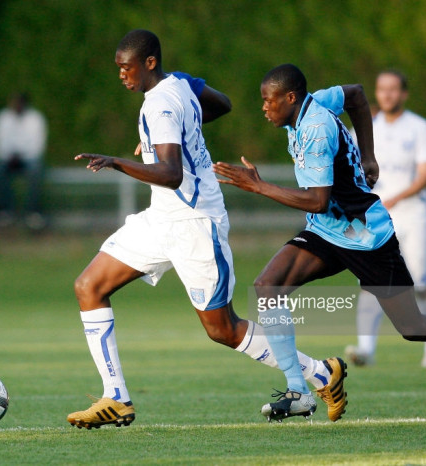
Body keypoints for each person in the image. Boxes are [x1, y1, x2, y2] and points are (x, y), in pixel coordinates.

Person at [67, 30, 348, 430]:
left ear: (149, 63)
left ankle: (322, 374)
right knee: (89, 286)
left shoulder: (161, 102)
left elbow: (168, 173)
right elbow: (222, 104)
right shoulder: (180, 83)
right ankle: (116, 397)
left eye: (127, 68)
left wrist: (116, 161)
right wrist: (170, 136)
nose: (122, 75)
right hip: (160, 218)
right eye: (118, 69)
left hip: (194, 224)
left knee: (223, 329)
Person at [213, 64, 426, 422]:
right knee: (267, 287)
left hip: (366, 235)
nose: (264, 107)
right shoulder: (317, 101)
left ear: (291, 98)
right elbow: (357, 95)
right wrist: (368, 154)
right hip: (327, 229)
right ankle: (299, 392)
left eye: (269, 101)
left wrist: (258, 186)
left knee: (413, 326)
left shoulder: (315, 128)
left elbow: (317, 200)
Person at [345, 70, 426, 368]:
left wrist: (397, 197)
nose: (387, 95)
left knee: (421, 284)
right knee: (372, 280)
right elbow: (351, 172)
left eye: (393, 90)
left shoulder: (419, 127)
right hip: (376, 218)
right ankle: (366, 349)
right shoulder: (364, 128)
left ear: (404, 94)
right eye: (382, 89)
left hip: (413, 215)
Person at [0, 92, 47, 229]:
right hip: (7, 159)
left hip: (28, 158)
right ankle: (5, 210)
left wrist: (21, 155)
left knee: (35, 171)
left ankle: (33, 211)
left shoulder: (35, 118)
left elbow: (38, 144)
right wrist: (9, 155)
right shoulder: (3, 118)